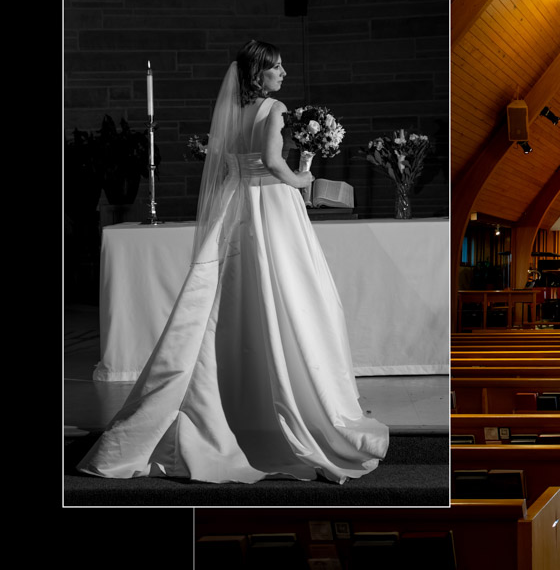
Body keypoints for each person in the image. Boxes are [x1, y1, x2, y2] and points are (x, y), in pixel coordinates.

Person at [78, 39, 388, 483]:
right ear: (257, 74)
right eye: (275, 68)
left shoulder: (234, 111)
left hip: (235, 204)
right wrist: (303, 179)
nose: (282, 73)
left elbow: (229, 161)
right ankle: (295, 403)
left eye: (282, 67)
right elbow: (272, 162)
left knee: (230, 294)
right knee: (288, 292)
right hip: (272, 206)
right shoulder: (275, 109)